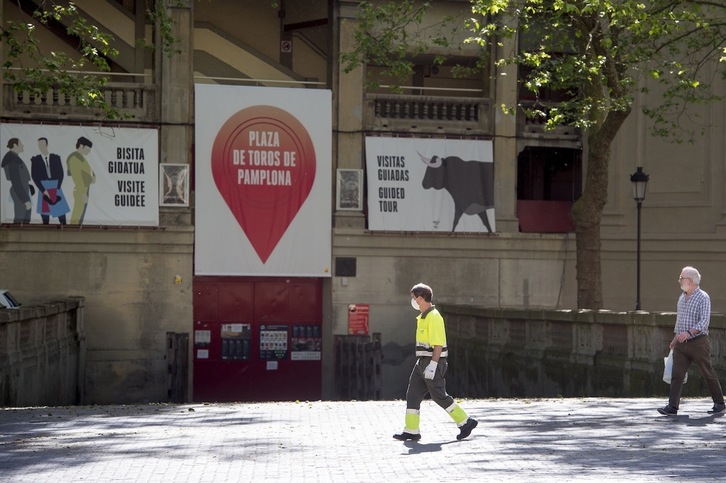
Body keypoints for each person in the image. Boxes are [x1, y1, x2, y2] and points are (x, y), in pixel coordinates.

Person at [393, 282, 478, 441]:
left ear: (421, 298)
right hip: (422, 363)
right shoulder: (423, 317)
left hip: (433, 362)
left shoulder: (434, 316)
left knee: (439, 396)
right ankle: (411, 430)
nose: (413, 301)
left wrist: (433, 365)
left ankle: (466, 422)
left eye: (414, 298)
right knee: (412, 394)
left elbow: (438, 344)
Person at [658, 266, 725, 416]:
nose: (679, 281)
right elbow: (680, 320)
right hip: (682, 344)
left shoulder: (703, 297)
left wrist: (688, 333)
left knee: (707, 372)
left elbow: (704, 322)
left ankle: (719, 403)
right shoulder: (682, 297)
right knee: (677, 374)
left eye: (682, 278)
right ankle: (672, 406)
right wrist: (676, 338)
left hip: (698, 343)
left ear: (691, 281)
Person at [31, 137, 69, 225]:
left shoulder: (55, 158)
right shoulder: (35, 160)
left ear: (47, 145)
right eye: (39, 145)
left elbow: (61, 173)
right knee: (45, 214)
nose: (41, 146)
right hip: (43, 187)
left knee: (61, 213)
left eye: (43, 144)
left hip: (55, 185)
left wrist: (57, 187)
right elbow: (34, 176)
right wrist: (43, 190)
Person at [1, 138, 33, 223]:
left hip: (21, 190)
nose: (22, 145)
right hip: (20, 192)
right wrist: (25, 200)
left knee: (22, 217)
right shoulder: (12, 160)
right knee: (21, 219)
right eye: (21, 143)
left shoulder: (13, 158)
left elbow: (19, 178)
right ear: (15, 145)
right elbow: (16, 181)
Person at [66, 136, 95, 225]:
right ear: (81, 146)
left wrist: (92, 177)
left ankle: (76, 227)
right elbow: (77, 177)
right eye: (87, 148)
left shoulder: (81, 158)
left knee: (81, 213)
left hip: (84, 188)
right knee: (78, 213)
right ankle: (73, 229)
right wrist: (82, 192)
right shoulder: (74, 158)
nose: (89, 151)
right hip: (80, 189)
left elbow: (88, 171)